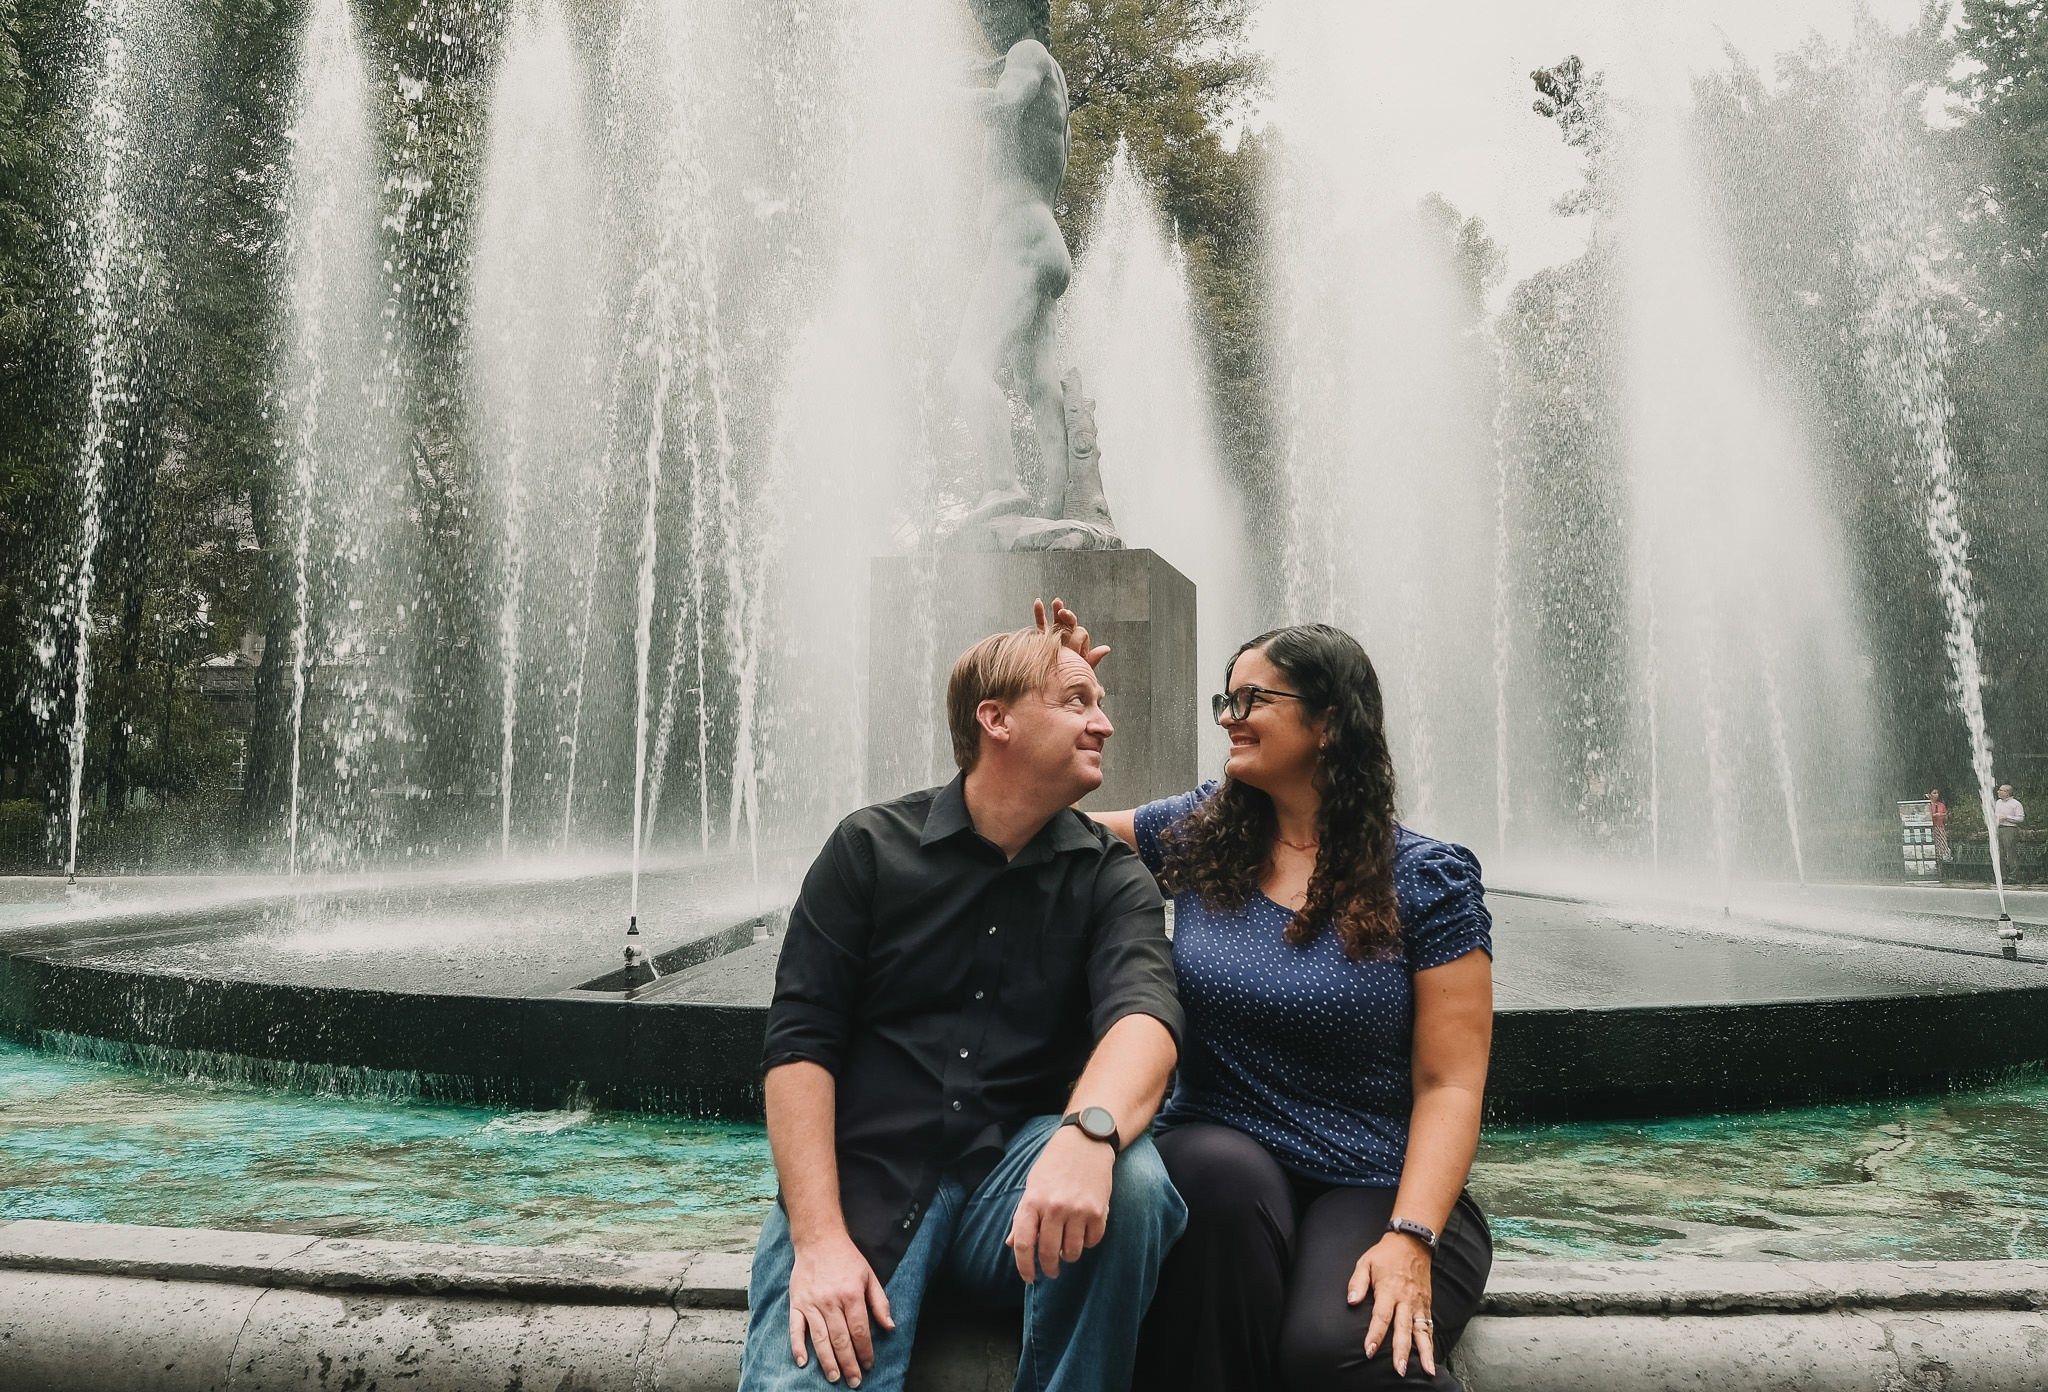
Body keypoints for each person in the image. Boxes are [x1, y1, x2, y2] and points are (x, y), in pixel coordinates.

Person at [1038, 600, 1494, 1391]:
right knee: (1214, 1181)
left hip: (1376, 1177)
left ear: (1328, 721)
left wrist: (1412, 1235)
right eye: (1227, 699)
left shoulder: (1426, 878)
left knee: (1336, 1351)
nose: (1229, 719)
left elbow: (1449, 1082)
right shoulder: (1205, 830)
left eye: (1253, 700)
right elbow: (1034, 828)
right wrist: (1048, 701)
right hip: (1221, 1156)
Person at [737, 625, 1187, 1392]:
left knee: (1139, 1183)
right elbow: (800, 1046)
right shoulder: (869, 848)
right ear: (996, 719)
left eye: (1100, 703)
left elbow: (1143, 1016)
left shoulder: (1112, 877)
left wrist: (1092, 1134)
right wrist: (816, 1241)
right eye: (1077, 700)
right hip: (867, 1178)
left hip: (1019, 1198)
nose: (1104, 723)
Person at [950, 0, 1073, 526]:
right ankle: (1059, 510)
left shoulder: (1028, 53)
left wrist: (934, 98)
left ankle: (1003, 487)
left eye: (991, 12)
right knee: (1039, 384)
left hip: (1019, 236)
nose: (985, 23)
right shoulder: (1046, 68)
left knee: (964, 368)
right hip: (1042, 237)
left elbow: (1003, 104)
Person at [1996, 784, 2025, 885]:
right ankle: (2002, 876)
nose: (1998, 792)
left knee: (2010, 853)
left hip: (2010, 829)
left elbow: (2021, 818)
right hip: (1998, 828)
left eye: (2001, 790)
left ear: (2007, 793)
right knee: (2000, 854)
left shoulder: (2016, 804)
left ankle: (2013, 876)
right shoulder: (1998, 803)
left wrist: (2007, 817)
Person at [1928, 789, 1949, 869]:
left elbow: (1945, 817)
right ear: (1929, 794)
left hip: (1940, 827)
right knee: (1932, 847)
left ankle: (1941, 866)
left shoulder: (1941, 805)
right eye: (1934, 793)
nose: (1936, 795)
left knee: (1941, 848)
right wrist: (1933, 815)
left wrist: (1943, 816)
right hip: (1931, 828)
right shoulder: (1927, 805)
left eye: (1937, 793)